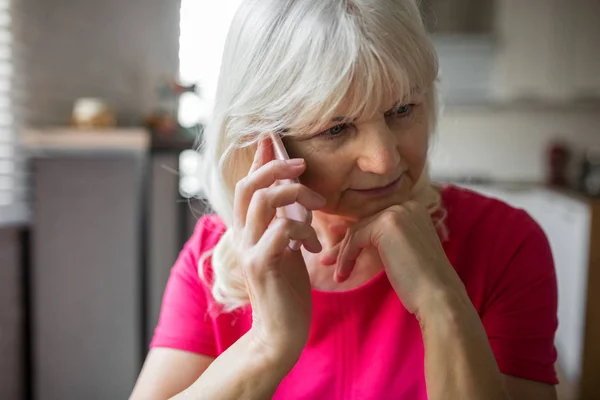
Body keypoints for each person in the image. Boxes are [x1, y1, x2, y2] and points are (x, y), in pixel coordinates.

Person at [131, 0, 559, 399]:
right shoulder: (214, 258)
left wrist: (441, 302)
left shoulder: (505, 243)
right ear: (268, 145)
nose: (384, 159)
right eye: (335, 129)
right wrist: (267, 346)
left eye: (403, 109)